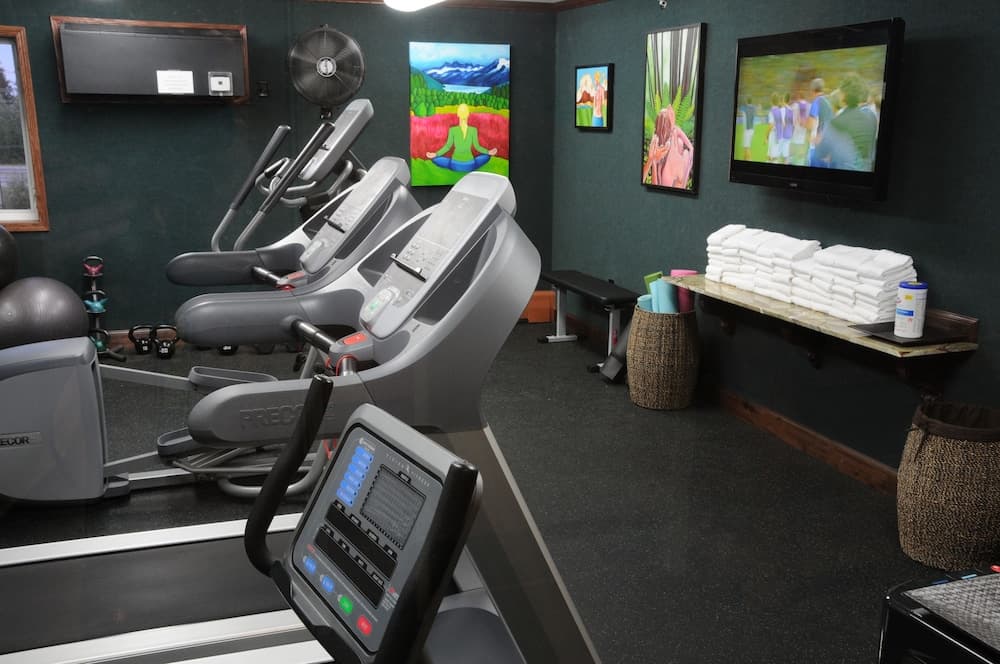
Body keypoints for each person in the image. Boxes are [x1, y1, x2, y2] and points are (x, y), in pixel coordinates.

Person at [813, 72, 878, 171]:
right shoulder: (871, 118)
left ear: (843, 95)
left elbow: (819, 153)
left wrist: (818, 141)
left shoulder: (836, 122)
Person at [425, 103, 497, 172]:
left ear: (458, 114)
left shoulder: (453, 130)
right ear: (468, 114)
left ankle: (436, 158)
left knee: (437, 159)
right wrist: (488, 152)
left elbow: (447, 147)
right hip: (470, 164)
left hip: (454, 164)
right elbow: (477, 147)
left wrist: (436, 154)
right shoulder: (473, 130)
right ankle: (487, 155)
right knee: (486, 157)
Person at [642, 105, 694, 188]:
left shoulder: (674, 131)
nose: (672, 117)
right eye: (671, 115)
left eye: (672, 114)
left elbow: (690, 147)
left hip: (673, 168)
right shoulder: (657, 139)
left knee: (682, 147)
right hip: (670, 170)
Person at [806, 77, 834, 167]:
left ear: (812, 90)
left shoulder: (817, 102)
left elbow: (810, 124)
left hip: (817, 144)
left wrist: (805, 124)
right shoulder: (829, 101)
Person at [737, 96, 756, 160]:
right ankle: (745, 160)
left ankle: (750, 160)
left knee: (747, 147)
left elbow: (740, 111)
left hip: (747, 130)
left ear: (746, 101)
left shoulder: (744, 108)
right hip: (752, 130)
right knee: (746, 147)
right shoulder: (753, 108)